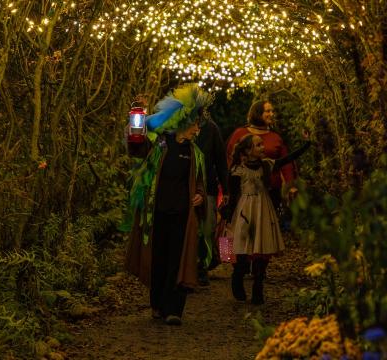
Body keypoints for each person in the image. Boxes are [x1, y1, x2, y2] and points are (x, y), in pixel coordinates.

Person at [124, 83, 211, 325]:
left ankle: (174, 310)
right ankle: (158, 306)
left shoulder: (195, 154)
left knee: (178, 261)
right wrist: (136, 118)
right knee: (158, 259)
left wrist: (200, 196)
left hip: (182, 216)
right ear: (184, 122)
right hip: (157, 213)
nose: (197, 130)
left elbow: (201, 183)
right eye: (195, 125)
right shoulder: (160, 144)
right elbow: (136, 147)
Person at [225, 133, 310, 305]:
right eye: (258, 145)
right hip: (244, 209)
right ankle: (238, 275)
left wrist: (307, 144)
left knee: (262, 246)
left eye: (262, 144)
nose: (263, 147)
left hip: (263, 208)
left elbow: (287, 159)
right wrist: (228, 218)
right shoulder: (237, 170)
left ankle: (258, 285)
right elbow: (233, 196)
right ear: (248, 150)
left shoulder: (266, 165)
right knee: (241, 247)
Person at [226, 100, 298, 224]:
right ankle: (225, 244)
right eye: (268, 111)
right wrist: (226, 187)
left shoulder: (275, 138)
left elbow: (286, 163)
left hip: (269, 192)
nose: (272, 114)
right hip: (242, 191)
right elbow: (229, 159)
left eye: (272, 111)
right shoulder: (240, 133)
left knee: (264, 226)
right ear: (258, 113)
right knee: (231, 223)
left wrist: (290, 186)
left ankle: (261, 243)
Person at [195, 118, 229, 286]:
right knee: (192, 230)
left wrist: (226, 188)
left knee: (207, 228)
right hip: (186, 187)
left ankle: (203, 264)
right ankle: (192, 265)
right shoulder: (178, 125)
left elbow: (220, 159)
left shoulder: (211, 129)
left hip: (208, 187)